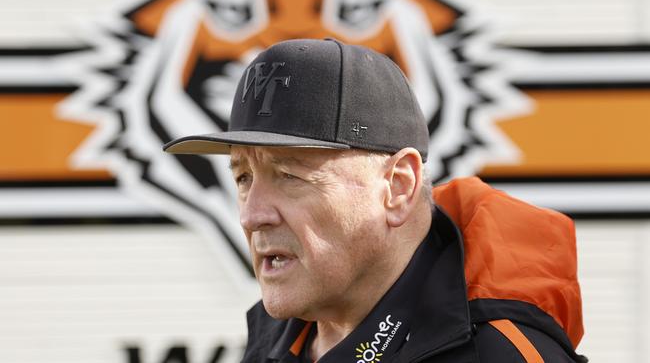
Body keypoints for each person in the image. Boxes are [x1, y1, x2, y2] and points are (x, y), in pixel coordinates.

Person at [164, 39, 586, 363]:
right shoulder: (275, 339)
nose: (252, 214)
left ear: (398, 187)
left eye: (290, 176)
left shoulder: (500, 354)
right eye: (243, 177)